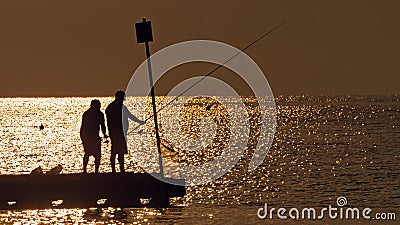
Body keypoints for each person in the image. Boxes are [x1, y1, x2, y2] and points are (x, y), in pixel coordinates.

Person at [106, 91, 145, 173]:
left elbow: (129, 115)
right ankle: (117, 170)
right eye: (123, 97)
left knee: (120, 151)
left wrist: (139, 121)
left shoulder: (115, 106)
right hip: (117, 133)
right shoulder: (116, 107)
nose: (124, 98)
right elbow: (129, 116)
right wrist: (139, 121)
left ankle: (120, 169)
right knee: (116, 151)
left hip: (120, 132)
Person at [80, 99, 108, 173]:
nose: (99, 107)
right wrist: (83, 137)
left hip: (95, 136)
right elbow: (84, 126)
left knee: (97, 154)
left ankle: (96, 170)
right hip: (87, 136)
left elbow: (103, 125)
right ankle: (85, 170)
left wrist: (104, 134)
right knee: (88, 153)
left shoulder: (99, 114)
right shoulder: (87, 114)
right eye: (98, 105)